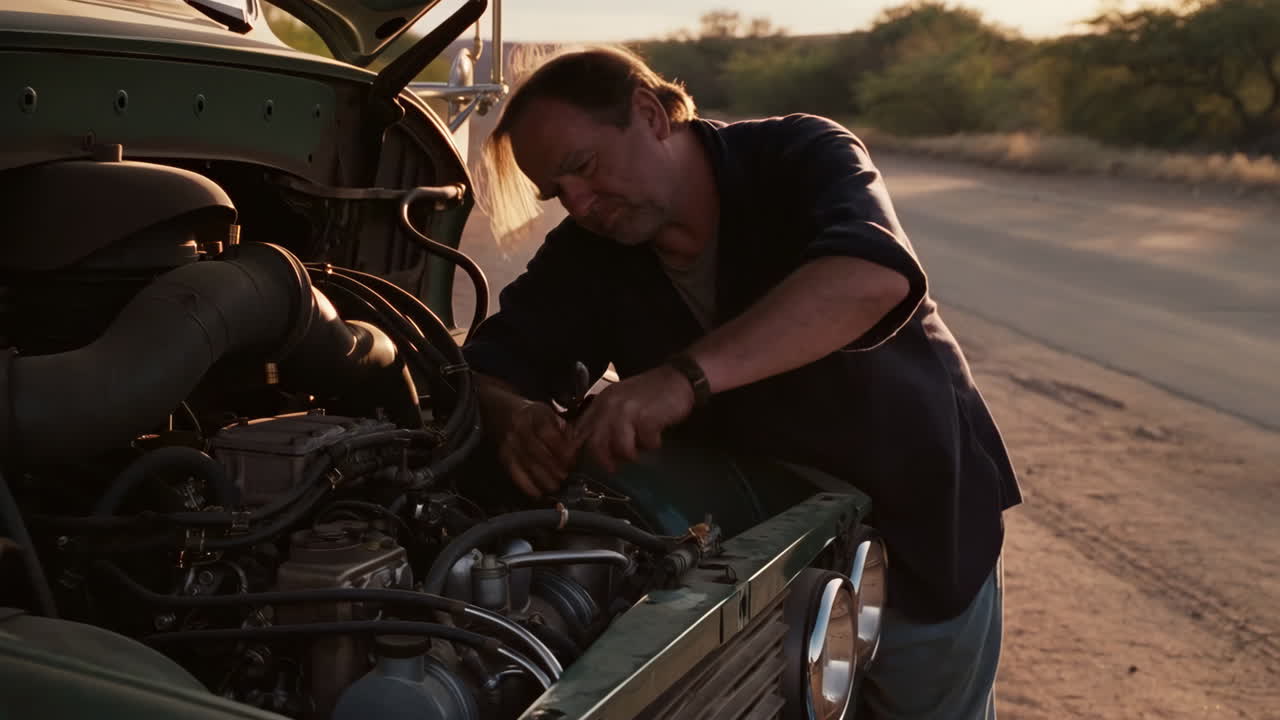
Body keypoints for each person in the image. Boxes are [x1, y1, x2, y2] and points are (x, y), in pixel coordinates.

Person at [462, 45, 1021, 719]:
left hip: (915, 543)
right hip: (760, 580)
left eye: (583, 167)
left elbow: (871, 275)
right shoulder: (591, 252)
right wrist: (512, 415)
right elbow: (490, 366)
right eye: (557, 192)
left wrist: (681, 379)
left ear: (649, 115)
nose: (577, 205)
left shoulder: (801, 156)